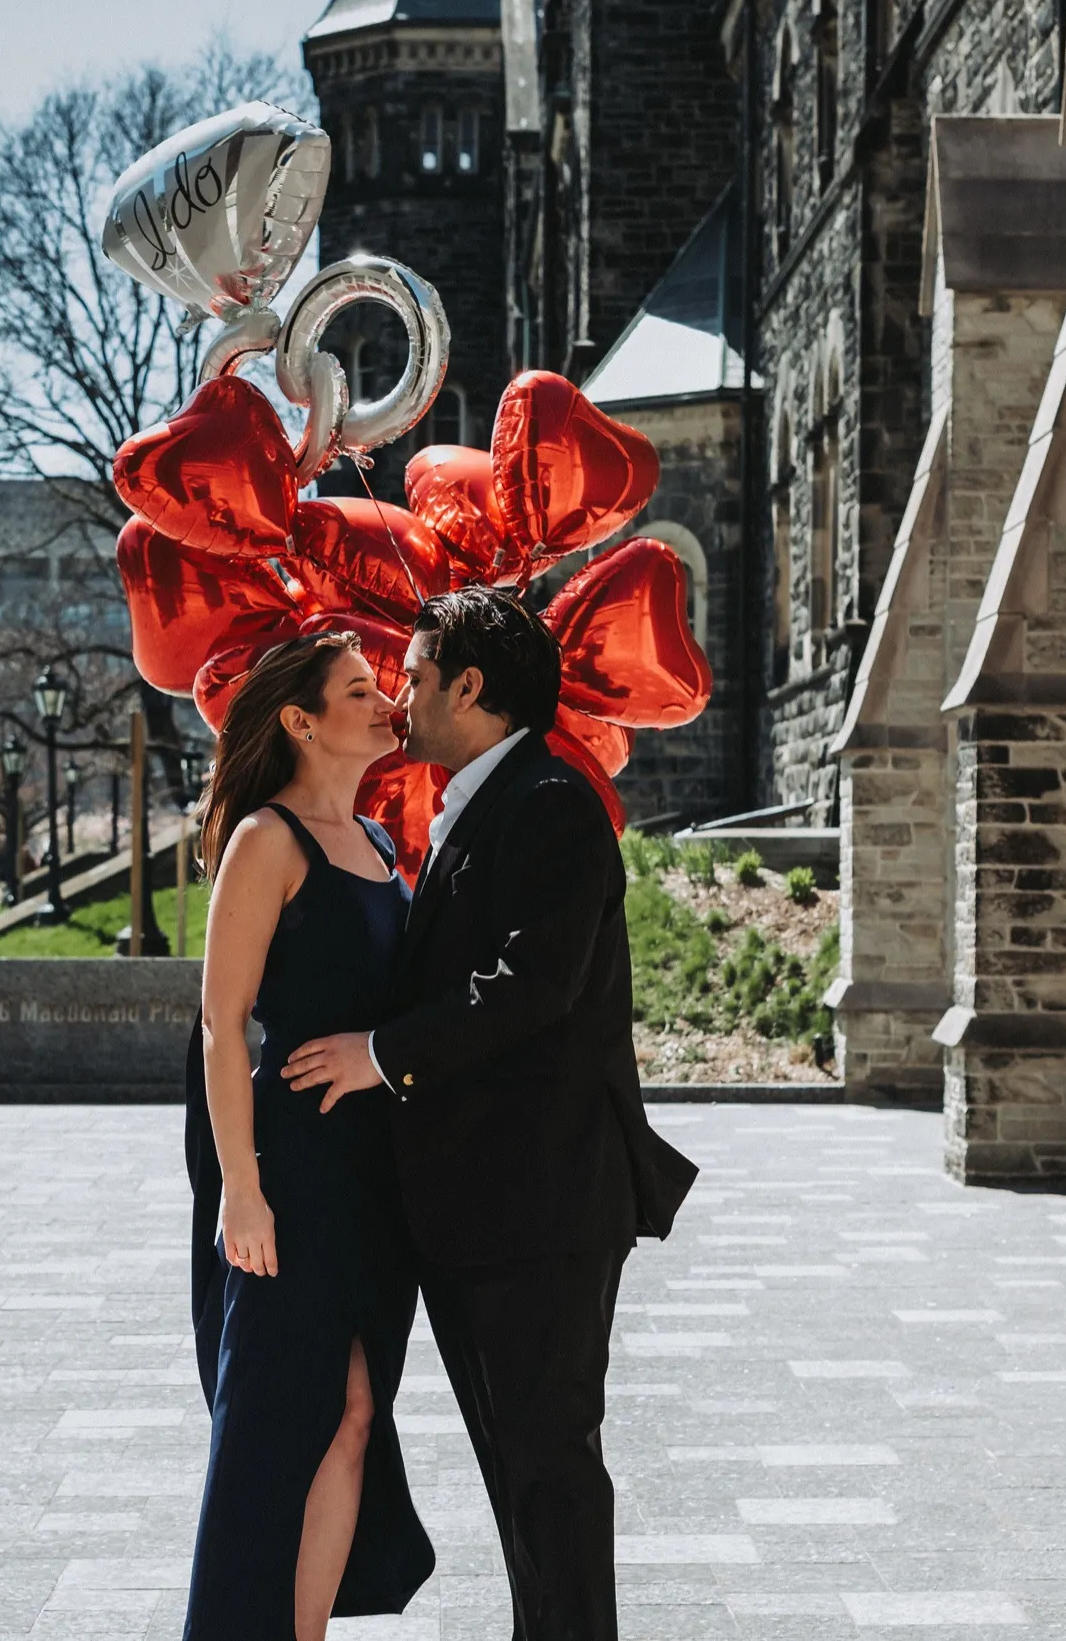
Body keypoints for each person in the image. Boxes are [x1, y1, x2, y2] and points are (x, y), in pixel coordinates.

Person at [282, 586, 698, 1641]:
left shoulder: (548, 799)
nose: (402, 698)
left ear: (470, 687)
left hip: (537, 1211)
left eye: (416, 677)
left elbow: (531, 986)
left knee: (549, 1471)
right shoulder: (489, 799)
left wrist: (379, 1054)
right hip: (484, 1216)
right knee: (522, 1476)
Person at [183, 632, 435, 1641]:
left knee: (356, 1416)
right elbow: (219, 1022)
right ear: (300, 719)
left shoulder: (378, 844)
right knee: (277, 1425)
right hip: (286, 1170)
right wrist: (241, 1189)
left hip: (373, 1173)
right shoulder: (267, 839)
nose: (386, 704)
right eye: (360, 691)